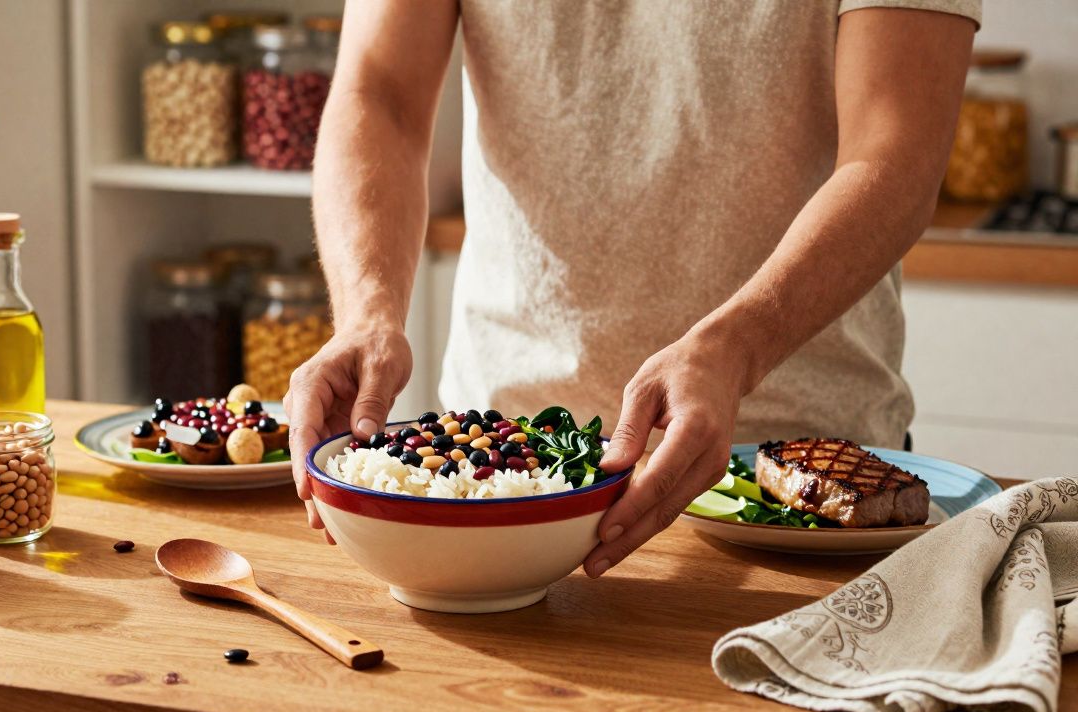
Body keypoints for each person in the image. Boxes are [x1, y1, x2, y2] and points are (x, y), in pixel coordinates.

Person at [285, 1, 978, 576]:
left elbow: (894, 153)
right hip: (494, 482)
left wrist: (734, 348)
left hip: (799, 495)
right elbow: (382, 94)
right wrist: (367, 315)